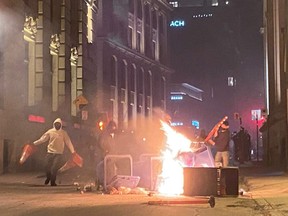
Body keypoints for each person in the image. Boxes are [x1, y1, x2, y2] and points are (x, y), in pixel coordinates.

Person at [33, 118, 76, 186]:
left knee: (54, 168)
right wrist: (34, 143)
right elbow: (42, 139)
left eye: (58, 124)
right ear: (54, 124)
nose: (57, 125)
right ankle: (48, 177)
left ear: (61, 125)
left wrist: (73, 151)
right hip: (50, 152)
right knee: (46, 166)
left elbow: (68, 142)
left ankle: (53, 181)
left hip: (58, 153)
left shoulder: (63, 133)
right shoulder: (50, 132)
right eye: (56, 124)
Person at [96, 120, 119, 188]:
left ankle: (111, 183)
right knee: (102, 168)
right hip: (106, 156)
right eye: (112, 128)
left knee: (112, 170)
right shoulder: (104, 135)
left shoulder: (116, 136)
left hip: (113, 157)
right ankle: (103, 183)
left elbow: (116, 146)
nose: (113, 130)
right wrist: (106, 152)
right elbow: (101, 144)